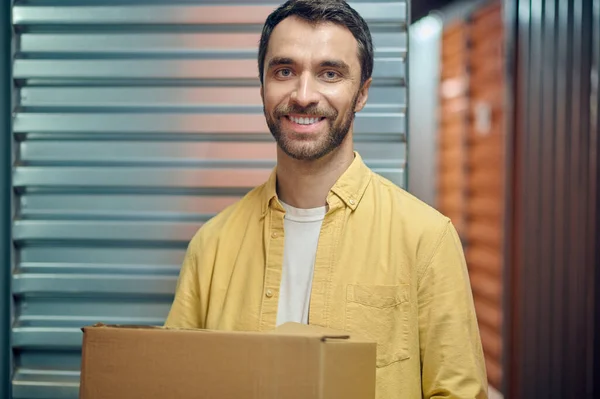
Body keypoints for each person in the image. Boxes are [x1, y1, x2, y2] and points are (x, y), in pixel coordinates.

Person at [165, 0, 488, 397]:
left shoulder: (426, 240)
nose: (303, 95)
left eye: (329, 73)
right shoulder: (211, 247)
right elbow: (174, 384)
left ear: (362, 94)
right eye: (285, 71)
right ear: (263, 86)